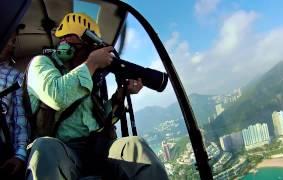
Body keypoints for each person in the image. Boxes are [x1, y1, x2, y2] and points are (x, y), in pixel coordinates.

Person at [26, 12, 168, 180]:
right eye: (88, 49)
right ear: (69, 42)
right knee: (45, 147)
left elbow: (99, 119)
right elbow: (56, 96)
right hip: (64, 152)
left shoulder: (90, 77)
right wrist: (92, 63)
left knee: (135, 146)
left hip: (97, 148)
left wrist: (120, 95)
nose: (90, 54)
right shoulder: (41, 63)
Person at [0, 27, 28, 179]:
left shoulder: (16, 76)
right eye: (10, 40)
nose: (13, 45)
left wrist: (20, 155)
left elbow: (20, 120)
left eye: (14, 41)